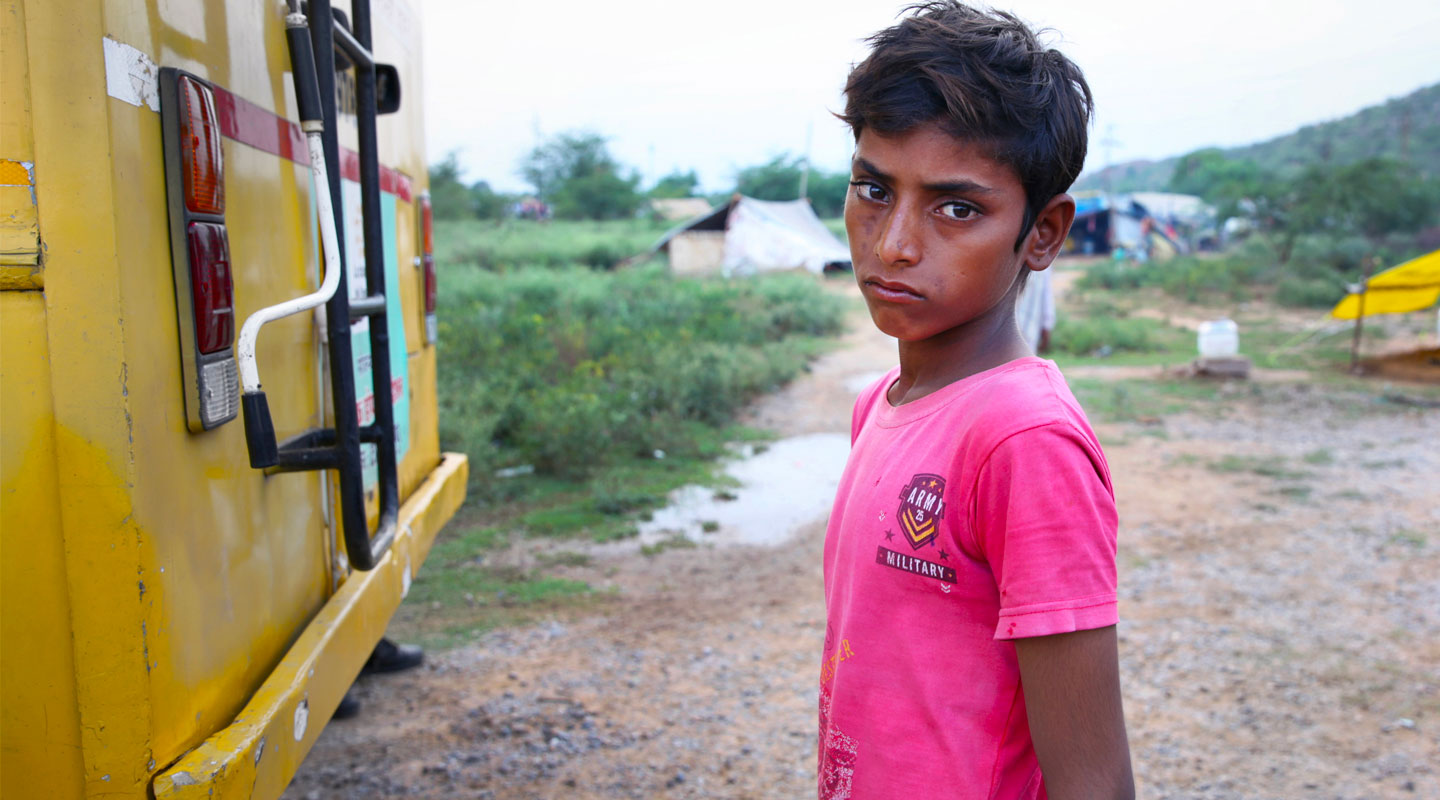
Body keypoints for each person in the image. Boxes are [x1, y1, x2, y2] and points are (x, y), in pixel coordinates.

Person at [818, 3, 1134, 798]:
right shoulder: (879, 406)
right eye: (873, 189)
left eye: (957, 208)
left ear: (1043, 234)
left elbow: (1093, 780)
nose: (894, 244)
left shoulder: (1022, 440)